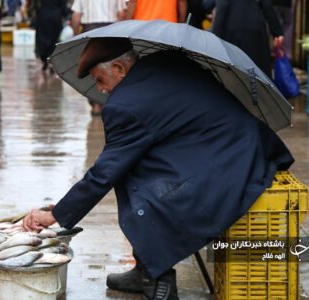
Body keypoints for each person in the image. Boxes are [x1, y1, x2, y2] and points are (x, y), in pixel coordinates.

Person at [21, 38, 294, 299]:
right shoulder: (162, 63)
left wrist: (57, 215)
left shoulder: (126, 105)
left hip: (231, 162)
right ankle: (145, 268)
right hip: (228, 147)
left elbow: (104, 172)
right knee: (135, 167)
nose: (100, 89)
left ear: (119, 68)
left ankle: (158, 274)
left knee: (141, 183)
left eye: (99, 79)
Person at [70, 0, 126, 116]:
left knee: (90, 67)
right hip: (111, 29)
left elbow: (76, 16)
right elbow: (121, 13)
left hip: (89, 29)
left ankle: (95, 104)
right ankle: (108, 101)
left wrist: (76, 36)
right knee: (110, 67)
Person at [212, 0, 284, 77]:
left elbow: (222, 6)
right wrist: (276, 31)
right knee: (259, 70)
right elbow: (267, 5)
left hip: (233, 28)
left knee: (235, 69)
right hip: (255, 27)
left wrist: (216, 35)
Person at [28, 0, 69, 72]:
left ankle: (44, 59)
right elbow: (63, 7)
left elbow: (34, 5)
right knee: (54, 40)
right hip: (56, 17)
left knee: (42, 39)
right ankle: (51, 61)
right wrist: (67, 15)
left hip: (43, 16)